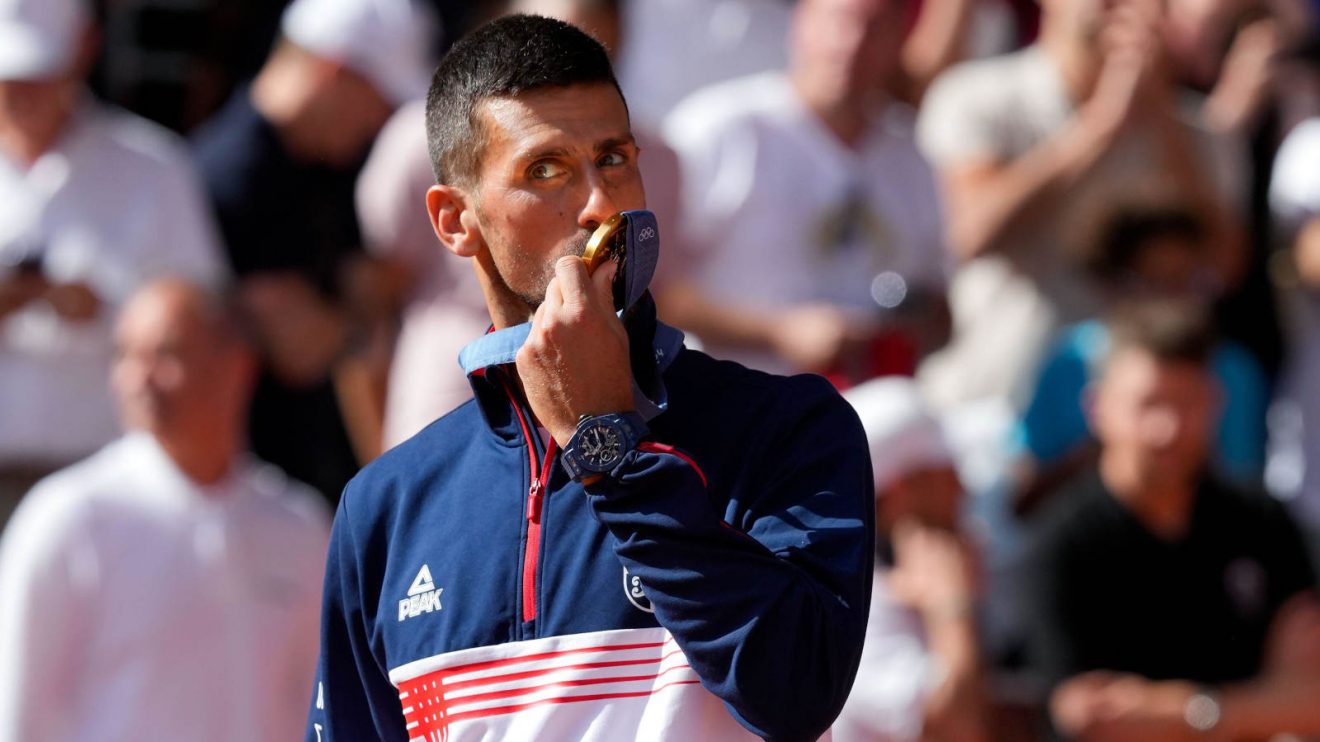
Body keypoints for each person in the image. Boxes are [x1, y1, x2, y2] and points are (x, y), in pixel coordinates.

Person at [307, 15, 873, 742]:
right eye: (545, 170)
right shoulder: (384, 509)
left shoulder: (787, 427)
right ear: (454, 221)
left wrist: (609, 447)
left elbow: (796, 694)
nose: (602, 204)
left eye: (613, 159)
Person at [0, 280, 330, 742]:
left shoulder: (300, 526)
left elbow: (323, 705)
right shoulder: (69, 517)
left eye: (166, 355)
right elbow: (16, 716)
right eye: (125, 356)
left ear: (237, 367)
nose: (138, 379)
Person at [915, 0, 1245, 409]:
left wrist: (1159, 116)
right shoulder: (973, 97)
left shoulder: (1201, 133)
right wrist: (1098, 129)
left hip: (1144, 420)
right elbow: (970, 235)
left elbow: (1223, 266)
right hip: (994, 403)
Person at [1025, 297, 1320, 741]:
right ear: (1097, 408)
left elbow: (1311, 701)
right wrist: (1257, 708)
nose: (1168, 428)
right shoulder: (1063, 542)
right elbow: (1086, 719)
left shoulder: (1263, 521)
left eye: (1187, 403)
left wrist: (1187, 710)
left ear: (1216, 403)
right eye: (1148, 404)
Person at [191, 0, 441, 498]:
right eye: (379, 100)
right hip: (255, 488)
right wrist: (360, 327)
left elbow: (367, 295)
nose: (380, 122)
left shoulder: (328, 165)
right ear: (333, 71)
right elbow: (300, 346)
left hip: (312, 481)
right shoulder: (230, 173)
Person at [0, 0, 225, 527]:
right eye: (8, 76)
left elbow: (205, 323)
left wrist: (110, 313)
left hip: (111, 484)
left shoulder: (154, 169)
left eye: (38, 74)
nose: (20, 93)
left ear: (84, 50)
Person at [660, 0, 949, 384]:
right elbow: (652, 290)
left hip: (868, 399)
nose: (852, 43)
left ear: (902, 39)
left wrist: (900, 327)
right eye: (839, 22)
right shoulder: (722, 129)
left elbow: (940, 307)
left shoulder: (911, 153)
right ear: (800, 22)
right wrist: (779, 331)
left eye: (875, 29)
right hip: (727, 396)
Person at [1014, 200, 1268, 515]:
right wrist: (1108, 460)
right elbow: (1024, 492)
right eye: (1152, 280)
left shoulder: (1233, 369)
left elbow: (1242, 480)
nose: (1168, 297)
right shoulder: (1071, 358)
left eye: (1184, 280)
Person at [835, 378, 989, 742]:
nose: (963, 489)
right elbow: (953, 727)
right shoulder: (846, 603)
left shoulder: (952, 565)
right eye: (947, 474)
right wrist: (952, 608)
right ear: (901, 492)